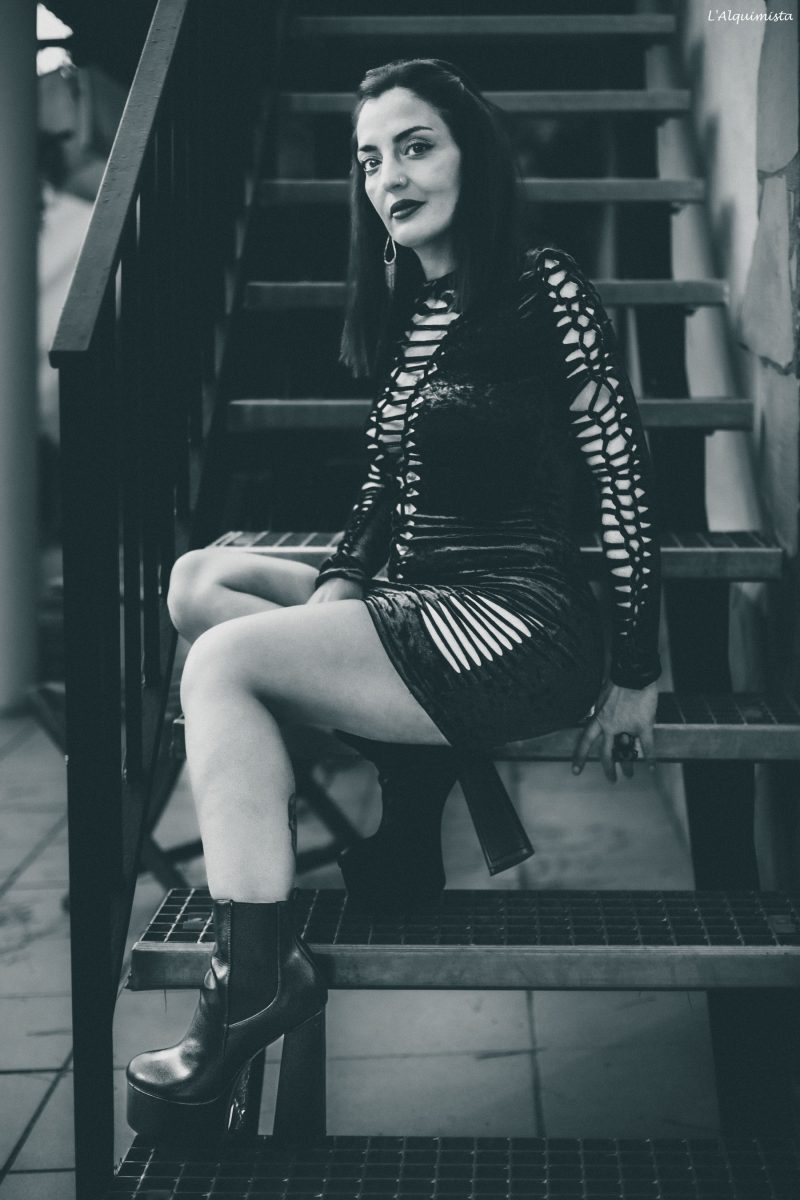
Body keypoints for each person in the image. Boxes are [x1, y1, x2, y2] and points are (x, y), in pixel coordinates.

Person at [126, 56, 661, 1141]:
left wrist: (637, 666)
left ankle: (250, 983)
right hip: (415, 593)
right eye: (370, 160)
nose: (389, 178)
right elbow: (376, 496)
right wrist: (334, 604)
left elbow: (620, 468)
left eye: (415, 148)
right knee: (198, 582)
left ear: (472, 157)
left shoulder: (542, 284)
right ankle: (409, 769)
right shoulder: (413, 306)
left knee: (222, 662)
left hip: (515, 617)